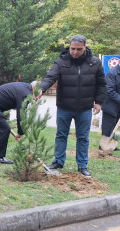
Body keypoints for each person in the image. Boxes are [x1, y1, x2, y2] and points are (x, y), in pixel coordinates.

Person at [39, 35, 106, 177]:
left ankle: (82, 165)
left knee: (83, 137)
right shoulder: (61, 62)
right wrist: (41, 88)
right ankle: (58, 161)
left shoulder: (95, 63)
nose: (75, 52)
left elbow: (101, 83)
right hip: (64, 106)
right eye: (72, 48)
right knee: (61, 135)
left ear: (85, 47)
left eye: (78, 49)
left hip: (85, 107)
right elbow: (50, 77)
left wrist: (99, 102)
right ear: (69, 47)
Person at [100, 56, 120, 151]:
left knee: (115, 124)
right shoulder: (113, 73)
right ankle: (103, 146)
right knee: (108, 125)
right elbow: (110, 91)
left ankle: (111, 145)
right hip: (110, 104)